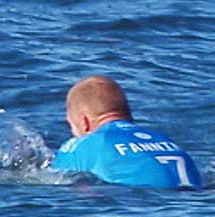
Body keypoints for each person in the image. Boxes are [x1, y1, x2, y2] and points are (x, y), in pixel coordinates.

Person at [51, 75, 203, 190]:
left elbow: (54, 179)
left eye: (71, 125)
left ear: (84, 122)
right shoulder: (163, 139)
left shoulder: (87, 144)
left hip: (139, 203)